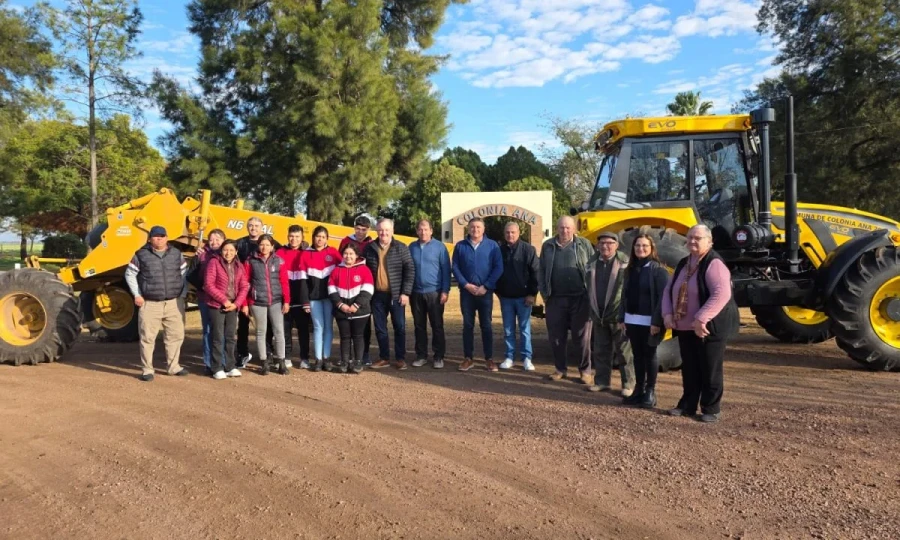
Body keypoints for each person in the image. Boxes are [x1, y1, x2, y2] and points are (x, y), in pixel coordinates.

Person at [662, 224, 739, 423]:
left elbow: (721, 294)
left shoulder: (714, 264)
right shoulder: (684, 263)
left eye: (697, 238)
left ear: (709, 241)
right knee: (689, 368)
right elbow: (669, 290)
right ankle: (687, 405)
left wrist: (701, 318)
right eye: (690, 238)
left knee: (710, 367)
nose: (692, 242)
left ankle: (711, 408)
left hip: (707, 328)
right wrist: (667, 313)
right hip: (686, 327)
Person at [124, 225, 189, 382]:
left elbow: (184, 274)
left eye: (162, 236)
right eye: (156, 236)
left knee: (176, 335)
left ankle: (173, 367)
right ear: (150, 239)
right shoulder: (141, 255)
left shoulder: (176, 254)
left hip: (174, 302)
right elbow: (130, 273)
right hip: (150, 303)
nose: (159, 239)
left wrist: (183, 294)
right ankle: (147, 369)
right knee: (147, 337)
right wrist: (137, 294)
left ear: (167, 238)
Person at [538, 216, 594, 383]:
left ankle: (585, 371)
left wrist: (591, 293)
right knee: (556, 337)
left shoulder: (584, 245)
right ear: (557, 228)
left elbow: (592, 268)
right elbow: (540, 271)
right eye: (562, 227)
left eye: (568, 228)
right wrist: (544, 293)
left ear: (574, 229)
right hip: (555, 299)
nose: (565, 231)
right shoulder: (547, 246)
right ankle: (560, 369)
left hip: (580, 299)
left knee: (582, 337)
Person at [617, 233, 669, 407]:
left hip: (650, 322)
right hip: (632, 320)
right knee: (637, 356)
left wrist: (657, 322)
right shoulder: (630, 270)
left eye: (645, 246)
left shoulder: (658, 270)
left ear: (651, 248)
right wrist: (621, 317)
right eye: (638, 245)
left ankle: (650, 392)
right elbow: (624, 295)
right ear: (633, 248)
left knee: (650, 355)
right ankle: (638, 390)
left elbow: (663, 298)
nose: (641, 248)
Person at [585, 231, 636, 396]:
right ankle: (602, 382)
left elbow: (629, 289)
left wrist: (626, 312)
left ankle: (628, 384)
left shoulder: (625, 262)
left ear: (616, 245)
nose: (605, 246)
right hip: (599, 314)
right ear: (598, 245)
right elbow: (588, 286)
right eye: (602, 243)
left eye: (609, 243)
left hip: (618, 315)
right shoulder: (592, 262)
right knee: (600, 350)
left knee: (624, 352)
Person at [452, 217, 503, 372]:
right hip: (467, 293)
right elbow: (455, 267)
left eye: (478, 227)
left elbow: (498, 268)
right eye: (473, 227)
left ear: (484, 229)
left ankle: (489, 359)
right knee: (468, 325)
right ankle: (468, 358)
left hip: (485, 293)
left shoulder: (493, 246)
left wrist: (486, 286)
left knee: (486, 325)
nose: (475, 230)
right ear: (468, 228)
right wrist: (466, 285)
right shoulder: (460, 246)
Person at [364, 218, 415, 370]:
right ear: (377, 231)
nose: (383, 233)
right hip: (377, 295)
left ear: (392, 231)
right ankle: (384, 357)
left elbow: (410, 270)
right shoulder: (370, 248)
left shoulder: (401, 247)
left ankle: (400, 358)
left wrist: (405, 292)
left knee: (399, 327)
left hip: (397, 295)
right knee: (380, 328)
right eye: (380, 230)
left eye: (386, 230)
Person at [235, 217, 280, 368]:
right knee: (243, 324)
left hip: (265, 293)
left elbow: (284, 252)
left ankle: (268, 352)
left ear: (262, 227)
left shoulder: (270, 242)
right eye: (251, 225)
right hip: (244, 290)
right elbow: (225, 251)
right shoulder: (239, 243)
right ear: (247, 227)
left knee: (266, 326)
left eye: (256, 226)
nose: (253, 228)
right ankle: (242, 353)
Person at [242, 234, 290, 376]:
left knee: (279, 331)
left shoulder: (279, 261)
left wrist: (286, 301)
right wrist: (245, 303)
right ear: (258, 245)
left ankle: (281, 361)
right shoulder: (250, 261)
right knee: (261, 332)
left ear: (272, 246)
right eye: (262, 244)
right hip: (257, 302)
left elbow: (284, 282)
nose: (264, 247)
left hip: (275, 301)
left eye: (267, 244)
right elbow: (245, 283)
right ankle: (264, 362)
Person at [496, 222, 539, 371]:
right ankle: (509, 357)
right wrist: (499, 292)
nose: (510, 235)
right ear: (504, 233)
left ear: (519, 232)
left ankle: (527, 358)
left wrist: (532, 294)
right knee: (508, 330)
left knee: (524, 329)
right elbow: (495, 273)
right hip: (506, 298)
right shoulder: (499, 251)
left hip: (524, 298)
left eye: (513, 232)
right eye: (507, 232)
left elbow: (536, 273)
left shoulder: (528, 250)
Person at [204, 239, 250, 379]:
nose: (228, 253)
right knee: (217, 337)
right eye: (225, 250)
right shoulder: (214, 262)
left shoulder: (239, 266)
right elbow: (208, 284)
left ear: (236, 252)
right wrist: (224, 300)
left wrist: (236, 304)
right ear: (221, 251)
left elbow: (244, 286)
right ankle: (217, 367)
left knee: (230, 336)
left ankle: (230, 366)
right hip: (217, 305)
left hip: (233, 306)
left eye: (231, 250)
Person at [408, 219, 450, 369]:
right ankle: (421, 355)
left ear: (431, 230)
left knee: (437, 326)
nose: (423, 232)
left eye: (426, 229)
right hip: (416, 293)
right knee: (419, 326)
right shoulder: (411, 247)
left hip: (435, 293)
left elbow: (446, 270)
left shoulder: (440, 247)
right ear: (417, 231)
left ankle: (438, 356)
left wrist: (445, 291)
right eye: (420, 229)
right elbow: (407, 270)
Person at [328, 242, 374, 374]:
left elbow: (368, 290)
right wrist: (340, 305)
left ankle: (358, 362)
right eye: (346, 253)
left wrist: (356, 305)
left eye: (351, 254)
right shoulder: (336, 270)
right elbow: (331, 289)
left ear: (357, 255)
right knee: (345, 337)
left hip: (360, 311)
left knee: (358, 336)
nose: (348, 256)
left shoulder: (364, 270)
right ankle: (344, 361)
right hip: (341, 311)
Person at [300, 226, 341, 371]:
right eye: (318, 236)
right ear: (313, 237)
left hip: (330, 298)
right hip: (313, 298)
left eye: (323, 237)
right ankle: (317, 359)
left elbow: (341, 273)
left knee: (328, 327)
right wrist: (305, 301)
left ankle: (326, 358)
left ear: (327, 239)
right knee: (318, 327)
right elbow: (303, 281)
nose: (320, 239)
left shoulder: (333, 253)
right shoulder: (306, 254)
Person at [339, 215, 375, 365]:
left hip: (364, 289)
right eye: (358, 229)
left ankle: (363, 354)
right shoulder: (346, 241)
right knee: (347, 326)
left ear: (368, 230)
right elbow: (339, 262)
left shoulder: (371, 243)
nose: (361, 232)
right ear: (354, 228)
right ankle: (346, 357)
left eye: (364, 230)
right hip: (347, 289)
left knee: (365, 324)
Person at [276, 225, 310, 369]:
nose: (294, 239)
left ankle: (304, 358)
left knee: (303, 330)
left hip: (302, 297)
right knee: (285, 329)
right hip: (285, 298)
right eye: (291, 236)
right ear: (287, 236)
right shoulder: (279, 252)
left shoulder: (308, 253)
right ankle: (287, 357)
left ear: (302, 238)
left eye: (297, 236)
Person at [193, 228, 226, 375]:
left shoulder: (228, 254)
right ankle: (208, 363)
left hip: (223, 300)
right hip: (205, 299)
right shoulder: (201, 255)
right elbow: (191, 275)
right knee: (207, 330)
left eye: (218, 239)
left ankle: (223, 361)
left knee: (222, 331)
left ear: (223, 240)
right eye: (211, 239)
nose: (214, 242)